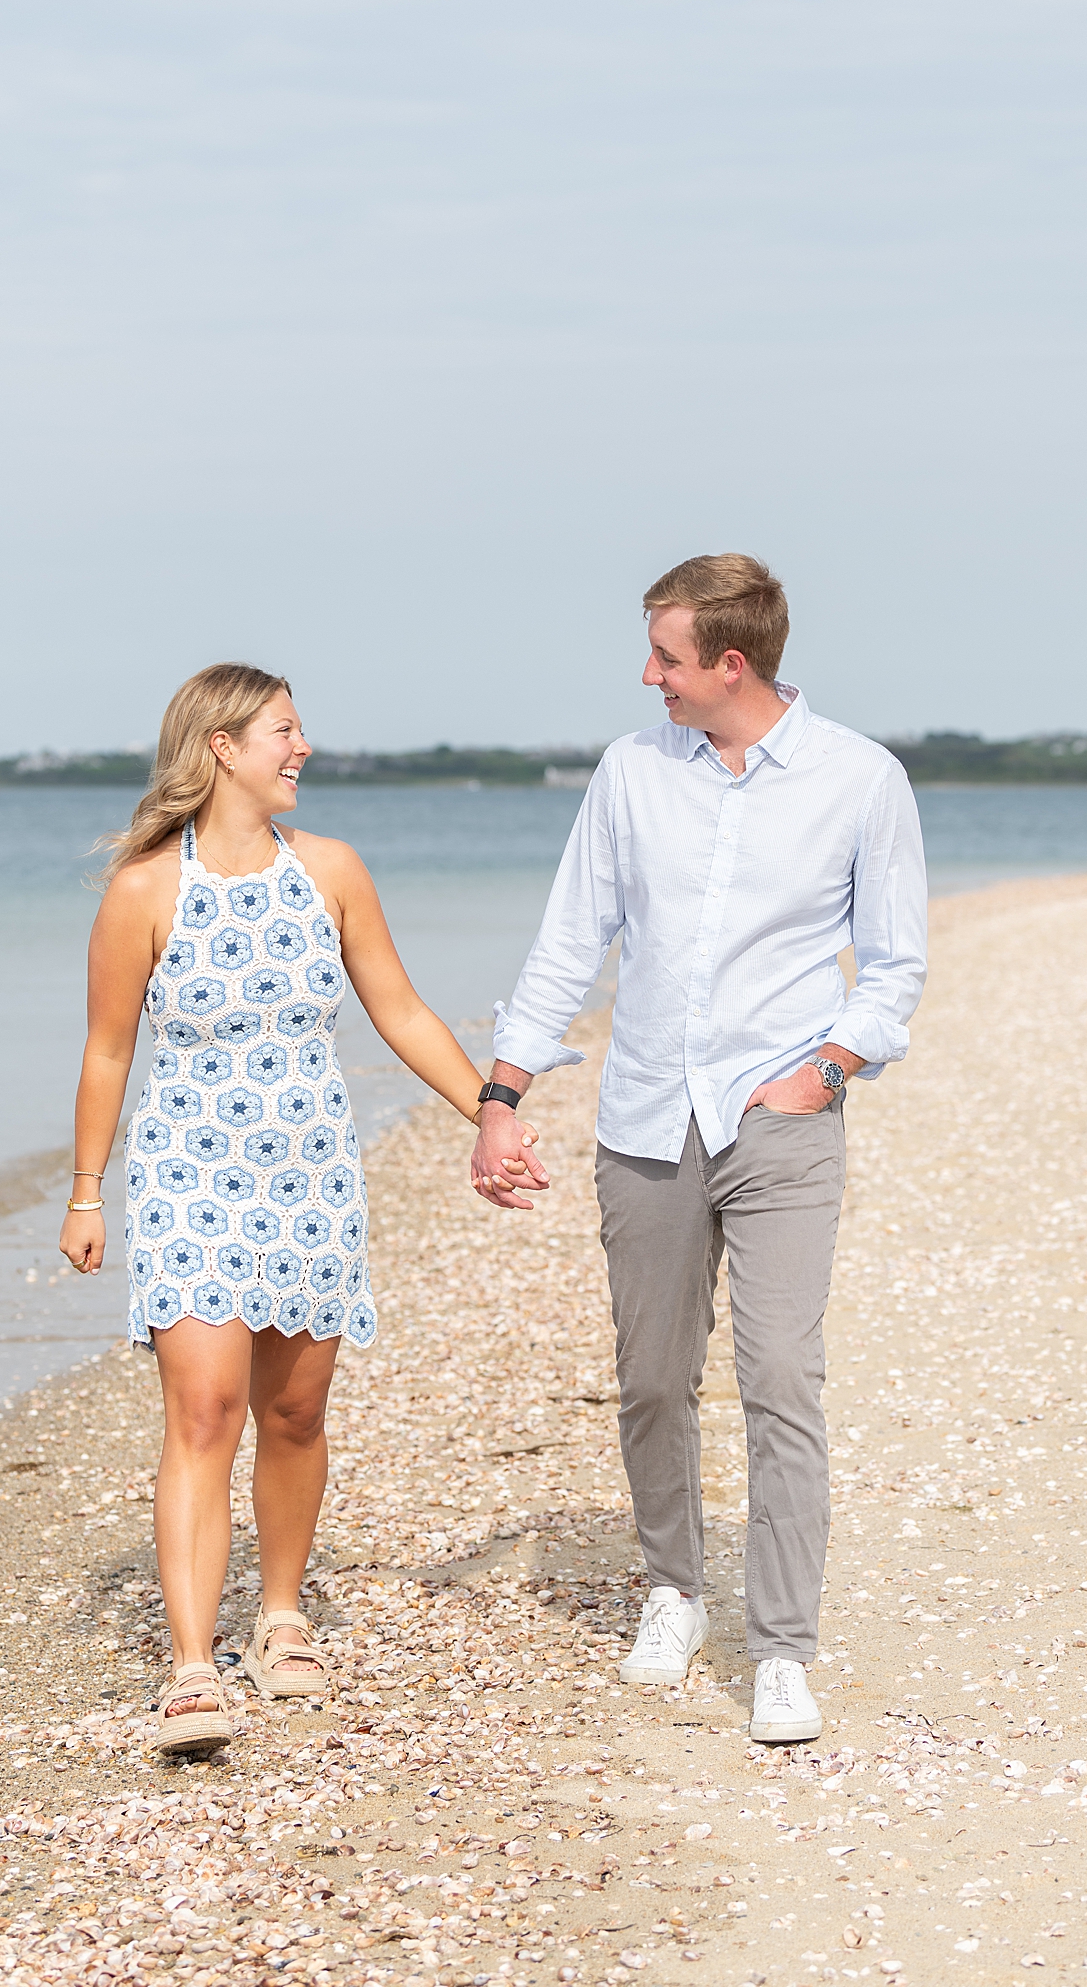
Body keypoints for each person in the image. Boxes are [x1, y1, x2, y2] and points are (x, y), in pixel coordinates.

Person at [469, 555, 927, 1744]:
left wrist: (823, 1074)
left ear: (732, 663)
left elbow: (894, 974)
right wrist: (503, 1093)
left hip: (781, 1121)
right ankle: (674, 1589)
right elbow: (570, 940)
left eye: (666, 656)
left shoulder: (861, 780)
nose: (647, 675)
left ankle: (781, 1648)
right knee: (654, 1377)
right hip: (645, 1119)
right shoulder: (631, 773)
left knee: (782, 1378)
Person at [60, 663, 516, 1757]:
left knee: (297, 1414)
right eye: (284, 731)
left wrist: (489, 1112)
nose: (301, 749)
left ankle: (281, 1616)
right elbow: (109, 1048)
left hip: (311, 1176)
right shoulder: (141, 891)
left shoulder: (333, 872)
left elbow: (398, 1008)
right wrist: (86, 1191)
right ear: (222, 745)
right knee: (205, 1410)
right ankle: (189, 1669)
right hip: (187, 1180)